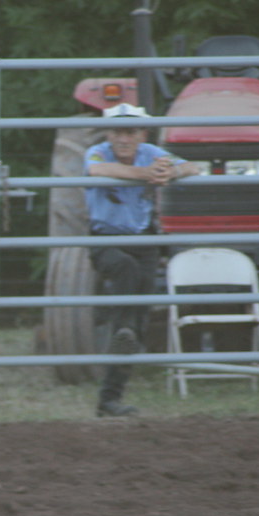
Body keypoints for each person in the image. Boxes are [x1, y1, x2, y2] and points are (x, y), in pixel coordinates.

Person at [85, 103, 201, 417]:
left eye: (131, 131)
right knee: (125, 269)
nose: (124, 138)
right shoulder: (97, 153)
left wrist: (172, 172)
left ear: (142, 134)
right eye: (118, 131)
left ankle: (109, 399)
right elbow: (97, 170)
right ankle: (122, 329)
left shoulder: (151, 153)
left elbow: (192, 167)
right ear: (108, 134)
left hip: (144, 239)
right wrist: (146, 174)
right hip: (106, 238)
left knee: (137, 321)